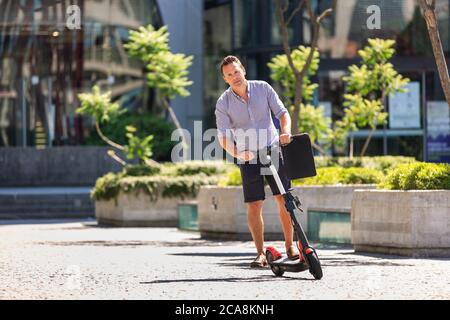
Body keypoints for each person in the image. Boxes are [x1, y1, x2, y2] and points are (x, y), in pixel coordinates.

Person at [215, 55, 299, 268]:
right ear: (225, 79)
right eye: (229, 75)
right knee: (254, 204)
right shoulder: (223, 103)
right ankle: (260, 253)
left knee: (283, 198)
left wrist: (286, 131)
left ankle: (290, 246)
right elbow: (223, 136)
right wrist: (237, 153)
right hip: (247, 155)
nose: (234, 76)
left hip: (272, 148)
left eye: (236, 71)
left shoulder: (263, 88)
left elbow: (282, 113)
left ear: (243, 69)